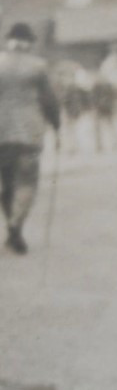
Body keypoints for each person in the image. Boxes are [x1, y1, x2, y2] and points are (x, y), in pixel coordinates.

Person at [0, 22, 60, 254]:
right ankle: (16, 226)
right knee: (26, 182)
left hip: (1, 135)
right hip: (29, 135)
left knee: (7, 183)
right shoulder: (38, 67)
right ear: (30, 43)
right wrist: (56, 125)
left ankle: (12, 227)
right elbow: (50, 101)